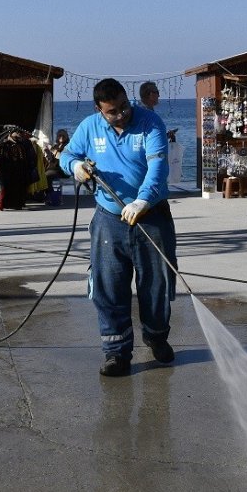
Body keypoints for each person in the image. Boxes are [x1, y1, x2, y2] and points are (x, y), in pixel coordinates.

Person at [60, 78, 177, 377]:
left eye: (124, 106)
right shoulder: (89, 127)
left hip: (151, 216)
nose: (121, 114)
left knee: (157, 284)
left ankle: (156, 335)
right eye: (112, 111)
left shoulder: (151, 123)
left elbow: (158, 166)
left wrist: (142, 200)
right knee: (108, 286)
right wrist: (75, 167)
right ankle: (116, 352)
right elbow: (67, 155)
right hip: (109, 219)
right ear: (99, 110)